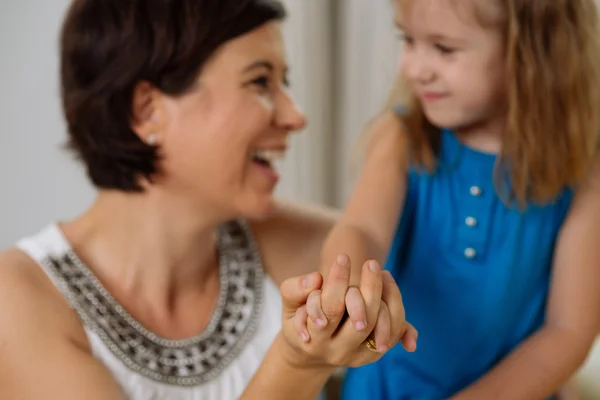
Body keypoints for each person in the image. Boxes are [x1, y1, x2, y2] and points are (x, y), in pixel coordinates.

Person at [0, 1, 418, 399]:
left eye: (283, 83)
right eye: (259, 82)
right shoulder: (19, 299)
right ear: (147, 109)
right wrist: (299, 364)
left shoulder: (308, 248)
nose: (295, 116)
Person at [299, 0, 600, 399]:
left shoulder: (584, 171)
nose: (414, 68)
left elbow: (567, 332)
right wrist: (347, 291)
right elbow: (363, 229)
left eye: (443, 49)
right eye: (408, 40)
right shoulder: (402, 136)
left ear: (531, 51)